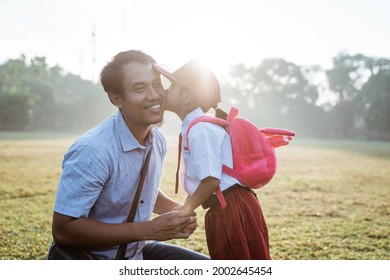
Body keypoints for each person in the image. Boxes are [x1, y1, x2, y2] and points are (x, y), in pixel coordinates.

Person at [48, 50, 209, 260]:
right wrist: (149, 230)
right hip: (90, 257)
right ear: (117, 99)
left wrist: (179, 212)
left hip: (135, 254)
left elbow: (141, 191)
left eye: (157, 84)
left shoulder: (156, 139)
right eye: (140, 88)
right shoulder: (93, 150)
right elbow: (63, 231)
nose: (154, 95)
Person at [153, 60, 272, 260]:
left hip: (230, 209)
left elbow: (211, 180)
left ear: (188, 98)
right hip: (228, 206)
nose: (165, 91)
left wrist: (184, 211)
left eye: (172, 87)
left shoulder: (200, 129)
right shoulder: (198, 126)